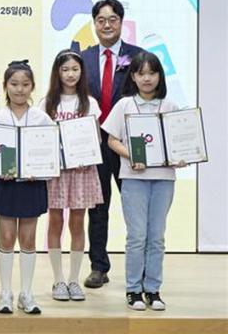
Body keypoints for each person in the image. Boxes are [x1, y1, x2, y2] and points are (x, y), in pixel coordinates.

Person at [102, 52, 184, 311]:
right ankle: (133, 289)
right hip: (134, 178)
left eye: (152, 73)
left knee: (157, 236)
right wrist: (132, 155)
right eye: (141, 73)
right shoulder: (124, 105)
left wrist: (181, 156)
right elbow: (111, 140)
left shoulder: (170, 106)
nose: (147, 78)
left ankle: (153, 289)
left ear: (160, 75)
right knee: (137, 236)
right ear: (133, 77)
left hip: (163, 178)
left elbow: (179, 142)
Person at [80, 0, 143, 289]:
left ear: (121, 22)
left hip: (127, 144)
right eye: (101, 20)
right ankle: (98, 267)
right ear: (95, 24)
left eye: (112, 19)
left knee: (135, 208)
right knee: (97, 208)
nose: (106, 25)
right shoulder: (82, 58)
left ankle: (139, 269)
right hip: (94, 145)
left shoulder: (138, 57)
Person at [0, 60, 55, 315]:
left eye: (25, 84)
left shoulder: (41, 118)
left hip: (31, 185)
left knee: (28, 239)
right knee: (6, 238)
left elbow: (50, 153)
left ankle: (26, 292)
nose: (19, 89)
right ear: (5, 86)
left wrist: (41, 169)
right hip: (5, 185)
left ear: (32, 86)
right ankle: (5, 292)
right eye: (14, 84)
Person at [39, 50, 103, 302]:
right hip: (56, 171)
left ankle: (74, 280)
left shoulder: (89, 102)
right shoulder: (46, 103)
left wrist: (84, 155)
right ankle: (58, 280)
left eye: (75, 69)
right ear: (57, 72)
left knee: (77, 223)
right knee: (55, 222)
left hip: (82, 171)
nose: (70, 74)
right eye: (65, 69)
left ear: (82, 72)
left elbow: (95, 138)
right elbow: (40, 138)